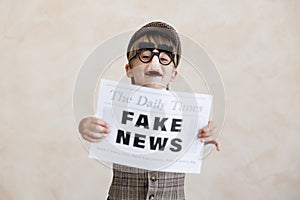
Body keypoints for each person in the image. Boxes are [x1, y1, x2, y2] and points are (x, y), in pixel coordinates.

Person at [79, 21, 220, 200]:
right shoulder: (115, 107)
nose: (154, 64)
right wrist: (85, 126)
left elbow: (204, 132)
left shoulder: (188, 113)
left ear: (174, 74)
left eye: (164, 59)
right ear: (129, 70)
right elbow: (92, 125)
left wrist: (209, 133)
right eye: (145, 56)